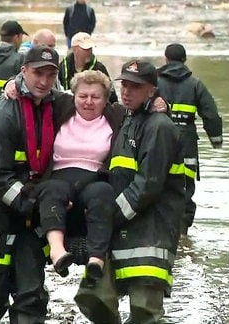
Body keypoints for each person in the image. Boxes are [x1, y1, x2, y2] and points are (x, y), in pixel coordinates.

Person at [75, 59, 186, 323]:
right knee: (92, 295)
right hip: (120, 226)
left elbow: (148, 185)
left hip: (152, 231)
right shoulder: (126, 118)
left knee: (145, 310)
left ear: (151, 90)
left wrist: (110, 217)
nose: (127, 91)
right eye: (124, 84)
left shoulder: (159, 127)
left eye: (135, 87)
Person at [0, 45, 60, 324]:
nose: (43, 81)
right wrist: (39, 209)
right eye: (38, 73)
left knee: (31, 295)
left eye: (50, 75)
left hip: (28, 218)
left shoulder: (55, 106)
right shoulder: (1, 117)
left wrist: (157, 102)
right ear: (23, 71)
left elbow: (98, 104)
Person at [32, 70, 124, 281]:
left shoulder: (116, 115)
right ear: (73, 96)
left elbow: (142, 103)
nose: (88, 102)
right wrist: (11, 84)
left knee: (103, 192)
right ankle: (57, 251)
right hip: (59, 179)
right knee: (53, 190)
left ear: (106, 99)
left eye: (96, 97)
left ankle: (96, 260)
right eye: (83, 96)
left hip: (93, 181)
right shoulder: (61, 106)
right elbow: (32, 87)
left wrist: (159, 102)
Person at [156, 43, 223, 237]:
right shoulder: (195, 84)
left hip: (160, 140)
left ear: (165, 59)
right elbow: (210, 114)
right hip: (186, 144)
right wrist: (216, 140)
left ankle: (160, 230)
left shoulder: (155, 83)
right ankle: (183, 233)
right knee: (185, 187)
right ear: (185, 60)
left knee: (159, 184)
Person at [59, 32, 118, 103]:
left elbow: (112, 96)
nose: (89, 52)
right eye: (86, 49)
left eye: (90, 48)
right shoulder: (62, 67)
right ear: (75, 49)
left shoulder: (99, 68)